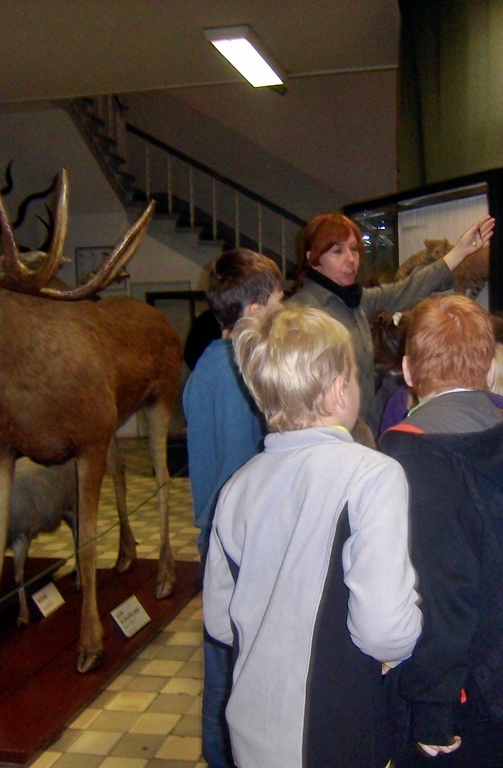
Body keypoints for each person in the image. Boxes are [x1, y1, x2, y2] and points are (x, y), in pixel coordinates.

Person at [203, 305, 422, 768]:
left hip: (250, 729)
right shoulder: (372, 475)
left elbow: (222, 622)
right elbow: (385, 631)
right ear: (340, 389)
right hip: (335, 731)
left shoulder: (237, 486)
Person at [379, 294, 503, 768]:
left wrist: (431, 705)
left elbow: (446, 592)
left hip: (464, 700)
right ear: (490, 371)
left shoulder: (410, 454)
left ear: (408, 370)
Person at [183, 248, 284, 768]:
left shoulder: (205, 364)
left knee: (225, 658)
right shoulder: (238, 373)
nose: (283, 309)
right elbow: (247, 470)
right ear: (255, 308)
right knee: (232, 665)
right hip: (240, 543)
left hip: (221, 537)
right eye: (279, 300)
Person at [288, 212, 494, 433]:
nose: (351, 259)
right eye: (337, 251)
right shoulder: (297, 313)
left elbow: (410, 287)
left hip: (360, 433)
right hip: (324, 437)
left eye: (354, 249)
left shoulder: (356, 301)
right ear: (314, 260)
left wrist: (459, 252)